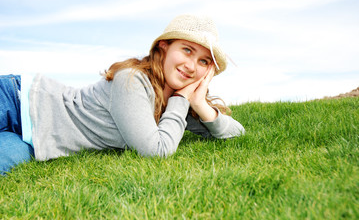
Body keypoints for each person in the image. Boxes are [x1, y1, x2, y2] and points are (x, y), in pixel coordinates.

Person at [0, 14, 245, 175]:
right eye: (187, 50)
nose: (192, 66)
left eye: (203, 61)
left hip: (34, 141)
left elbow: (237, 134)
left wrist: (199, 103)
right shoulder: (132, 78)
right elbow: (156, 150)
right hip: (17, 100)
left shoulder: (176, 105)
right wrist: (182, 100)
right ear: (164, 46)